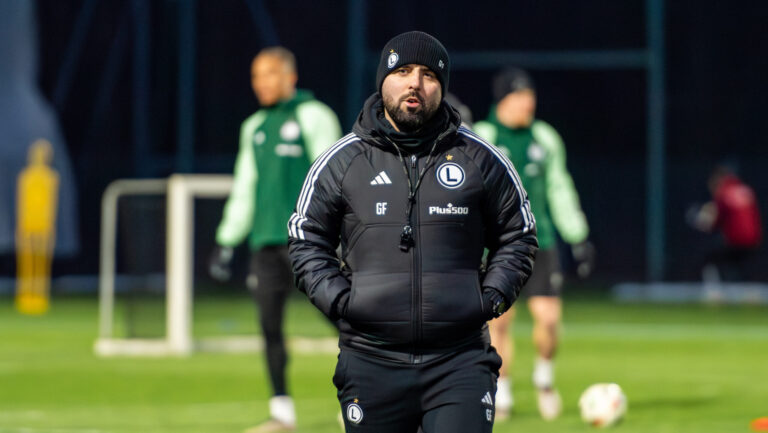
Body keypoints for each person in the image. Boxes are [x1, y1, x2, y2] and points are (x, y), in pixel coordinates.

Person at [287, 31, 537, 432]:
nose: (414, 83)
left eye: (428, 75)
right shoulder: (342, 160)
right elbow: (306, 240)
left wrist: (489, 297)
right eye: (402, 71)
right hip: (370, 361)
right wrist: (342, 302)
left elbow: (518, 235)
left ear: (442, 87)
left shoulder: (481, 158)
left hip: (460, 362)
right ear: (383, 80)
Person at [209, 46, 342, 433]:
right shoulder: (254, 126)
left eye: (268, 74)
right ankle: (282, 412)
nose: (261, 83)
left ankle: (364, 395)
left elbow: (331, 179)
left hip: (308, 242)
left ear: (290, 77)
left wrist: (336, 234)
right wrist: (226, 238)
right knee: (269, 327)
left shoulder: (314, 116)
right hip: (266, 241)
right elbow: (246, 185)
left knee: (343, 321)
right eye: (255, 75)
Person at [474, 67, 594, 421]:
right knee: (500, 324)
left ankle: (543, 378)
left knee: (549, 319)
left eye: (531, 97)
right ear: (503, 100)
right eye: (520, 97)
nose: (528, 104)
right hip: (494, 245)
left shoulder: (545, 137)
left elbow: (559, 186)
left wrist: (578, 235)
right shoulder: (482, 136)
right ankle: (504, 393)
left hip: (539, 242)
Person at [689, 165, 762, 281]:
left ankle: (714, 293)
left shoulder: (724, 193)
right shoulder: (745, 190)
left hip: (736, 242)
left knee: (708, 260)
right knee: (740, 266)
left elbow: (715, 220)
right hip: (753, 241)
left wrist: (700, 221)